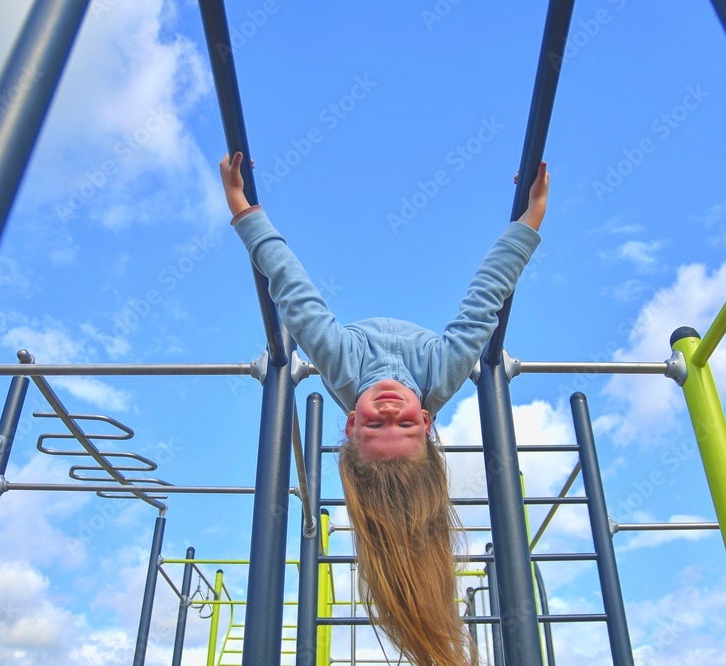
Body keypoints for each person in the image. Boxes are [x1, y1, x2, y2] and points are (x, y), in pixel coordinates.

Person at [221, 152, 548, 666]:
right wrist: (527, 222)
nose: (392, 406)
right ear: (429, 421)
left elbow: (294, 291)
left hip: (350, 339)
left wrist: (244, 210)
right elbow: (486, 299)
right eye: (406, 422)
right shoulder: (442, 374)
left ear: (351, 421)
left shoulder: (343, 367)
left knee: (299, 319)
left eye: (376, 422)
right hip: (433, 354)